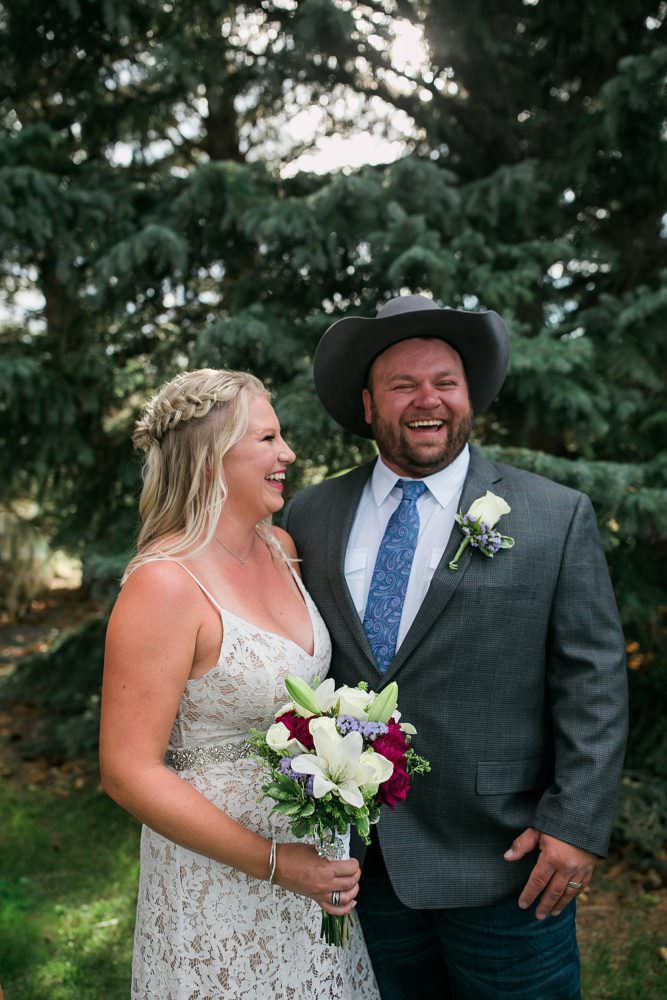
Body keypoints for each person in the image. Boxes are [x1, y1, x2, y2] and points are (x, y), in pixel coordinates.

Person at [284, 294, 628, 1000]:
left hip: (505, 861)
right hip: (356, 867)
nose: (426, 400)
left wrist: (575, 824)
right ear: (368, 404)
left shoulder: (552, 516)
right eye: (402, 385)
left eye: (444, 382)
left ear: (469, 396)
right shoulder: (309, 516)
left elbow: (591, 680)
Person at [99, 368, 380, 999]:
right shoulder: (164, 585)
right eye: (268, 439)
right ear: (210, 456)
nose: (289, 454)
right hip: (217, 875)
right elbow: (127, 770)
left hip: (313, 863)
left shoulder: (281, 548)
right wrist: (277, 863)